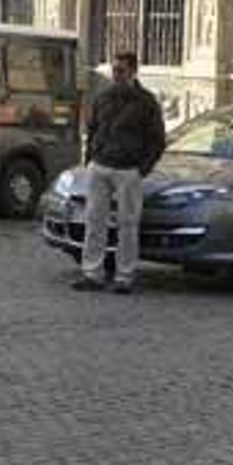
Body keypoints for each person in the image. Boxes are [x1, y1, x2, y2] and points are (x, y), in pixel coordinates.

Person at [75, 51, 165, 294]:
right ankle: (92, 273)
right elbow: (92, 128)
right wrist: (89, 159)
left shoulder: (147, 102)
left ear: (133, 72)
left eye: (121, 71)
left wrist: (140, 170)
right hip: (100, 165)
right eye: (113, 70)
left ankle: (124, 276)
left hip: (128, 170)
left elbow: (157, 140)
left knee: (128, 224)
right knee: (94, 221)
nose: (115, 75)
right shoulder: (103, 96)